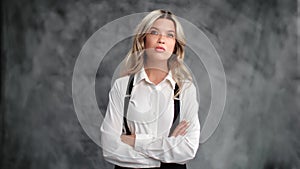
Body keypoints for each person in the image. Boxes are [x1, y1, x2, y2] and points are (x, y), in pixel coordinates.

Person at [100, 9, 200, 169]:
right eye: (154, 32)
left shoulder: (185, 89)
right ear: (143, 39)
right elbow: (110, 148)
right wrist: (166, 151)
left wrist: (134, 141)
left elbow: (188, 148)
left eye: (170, 35)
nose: (161, 40)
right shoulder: (122, 86)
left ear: (175, 45)